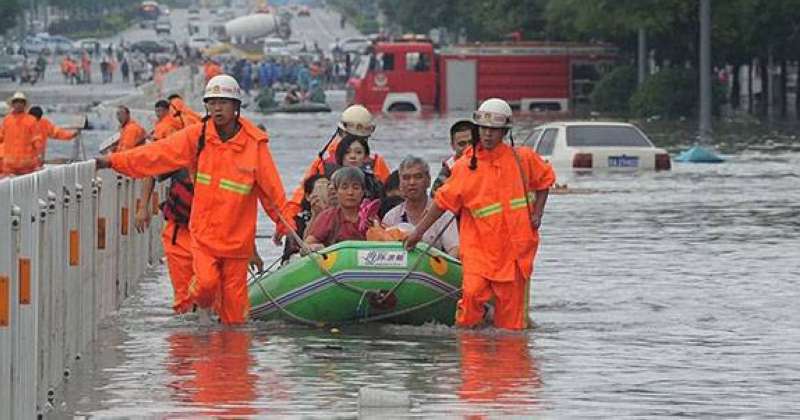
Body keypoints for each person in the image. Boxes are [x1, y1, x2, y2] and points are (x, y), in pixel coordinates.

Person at [96, 74, 293, 325]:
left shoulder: (254, 145)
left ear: (236, 107)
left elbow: (273, 192)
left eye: (223, 102)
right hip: (205, 238)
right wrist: (112, 162)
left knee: (235, 321)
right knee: (205, 287)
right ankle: (194, 312)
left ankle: (230, 361)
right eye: (212, 103)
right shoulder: (196, 137)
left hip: (237, 244)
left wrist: (285, 225)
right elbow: (155, 154)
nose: (217, 108)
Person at [405, 98, 555, 330]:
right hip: (480, 253)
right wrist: (418, 232)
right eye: (483, 129)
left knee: (512, 326)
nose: (487, 135)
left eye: (493, 130)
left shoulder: (522, 159)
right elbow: (441, 203)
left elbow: (545, 180)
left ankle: (509, 365)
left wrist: (538, 213)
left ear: (504, 132)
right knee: (471, 303)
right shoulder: (465, 167)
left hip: (515, 254)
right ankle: (472, 361)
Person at [283, 105, 390, 239]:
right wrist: (286, 224)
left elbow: (389, 199)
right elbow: (301, 197)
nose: (353, 156)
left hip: (364, 225)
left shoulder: (377, 163)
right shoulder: (323, 163)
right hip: (329, 223)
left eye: (360, 142)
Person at [383, 156, 459, 257]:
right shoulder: (390, 217)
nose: (412, 182)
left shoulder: (444, 214)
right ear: (400, 184)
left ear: (428, 181)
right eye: (406, 178)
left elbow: (455, 249)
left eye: (418, 177)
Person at [306, 167, 368, 251]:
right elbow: (308, 244)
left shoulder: (370, 216)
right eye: (344, 188)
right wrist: (316, 247)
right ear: (336, 191)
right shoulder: (328, 216)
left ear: (362, 192)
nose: (350, 193)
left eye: (356, 188)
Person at [281, 174, 330, 262]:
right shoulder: (298, 219)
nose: (324, 195)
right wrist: (316, 215)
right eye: (319, 191)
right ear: (308, 196)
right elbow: (295, 250)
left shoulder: (336, 215)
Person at [0, 92, 43, 176]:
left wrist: (39, 154)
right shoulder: (6, 120)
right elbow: (1, 137)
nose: (18, 104)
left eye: (21, 102)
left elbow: (37, 139)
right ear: (13, 104)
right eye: (16, 102)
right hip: (9, 165)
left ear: (24, 104)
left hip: (27, 165)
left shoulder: (31, 120)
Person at [432, 119, 475, 194]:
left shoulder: (490, 162)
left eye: (471, 142)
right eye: (462, 144)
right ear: (453, 146)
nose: (468, 148)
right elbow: (434, 197)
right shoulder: (448, 170)